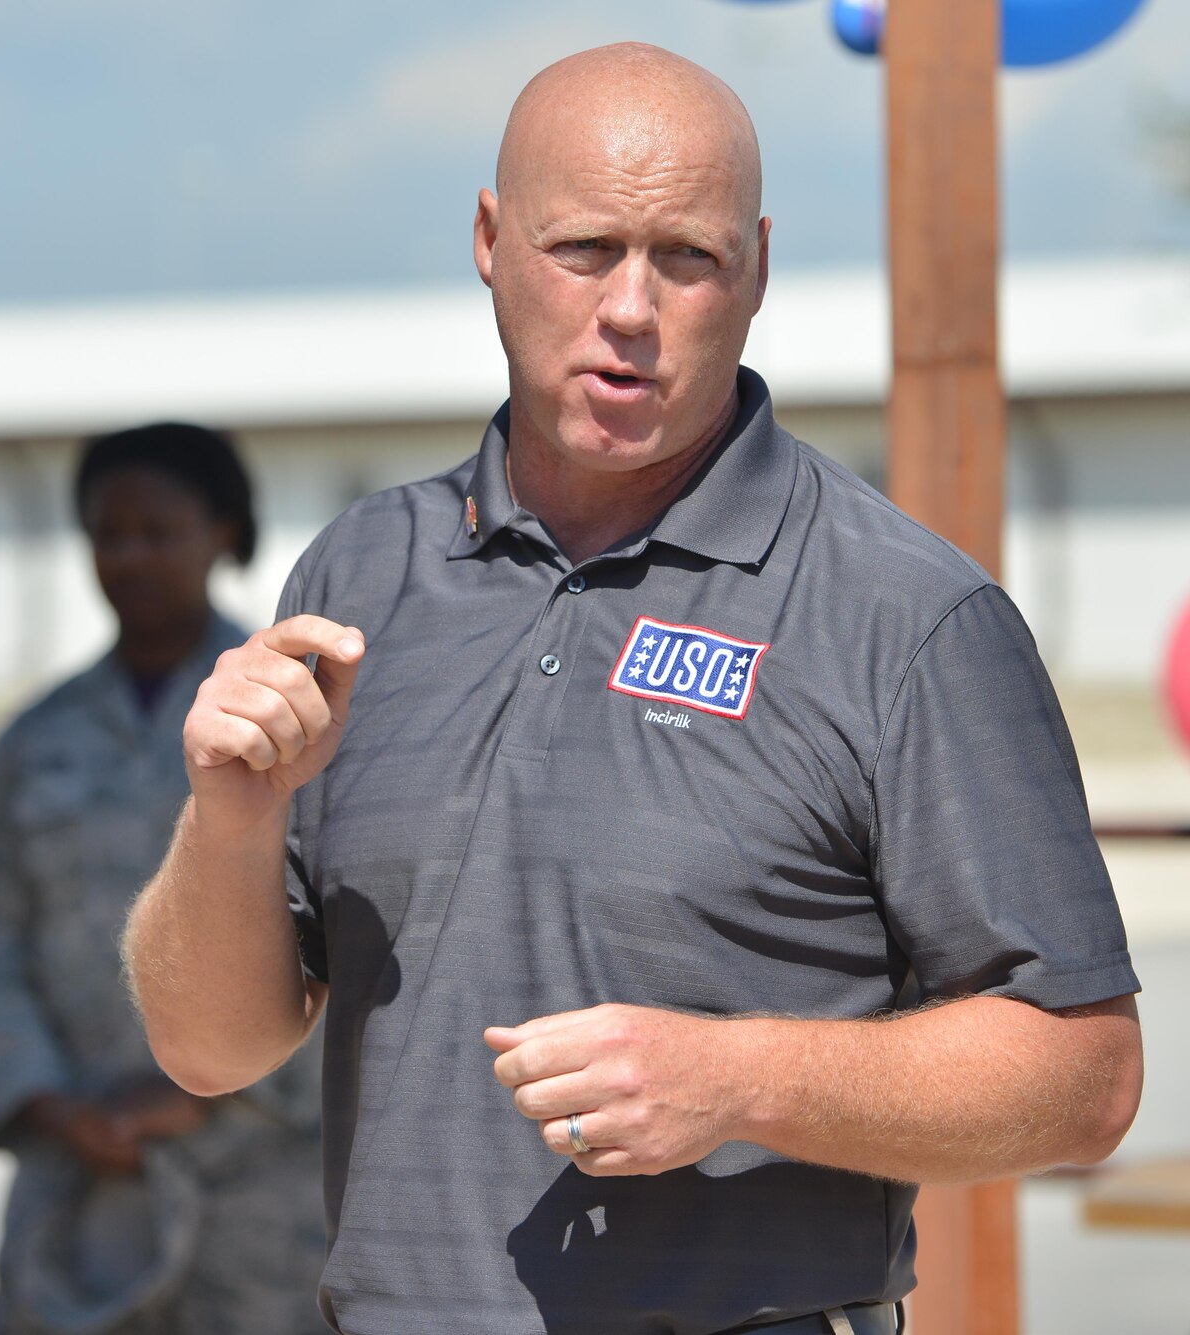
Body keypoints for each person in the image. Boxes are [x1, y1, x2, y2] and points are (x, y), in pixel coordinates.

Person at [122, 43, 1142, 1335]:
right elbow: (210, 1047)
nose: (633, 308)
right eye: (585, 248)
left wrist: (741, 1077)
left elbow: (1086, 1074)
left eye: (689, 257)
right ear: (491, 241)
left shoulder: (904, 613)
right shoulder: (360, 575)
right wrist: (230, 815)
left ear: (757, 269)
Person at [0, 423, 326, 1335]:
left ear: (225, 534)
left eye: (157, 530)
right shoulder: (35, 743)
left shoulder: (290, 715)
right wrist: (50, 1103)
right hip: (80, 1185)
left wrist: (212, 1090)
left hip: (263, 1182)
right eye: (107, 533)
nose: (129, 556)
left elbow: (352, 935)